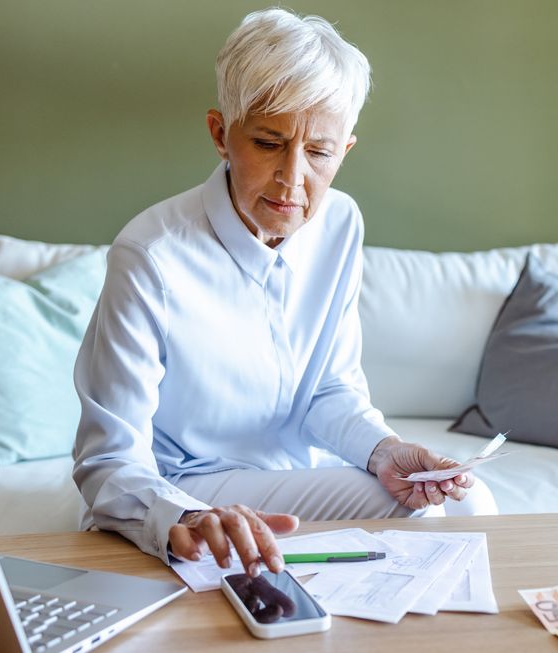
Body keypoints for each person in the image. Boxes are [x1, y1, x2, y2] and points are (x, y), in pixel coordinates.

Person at [72, 7, 495, 580]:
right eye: (269, 143)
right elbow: (108, 459)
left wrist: (386, 451)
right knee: (440, 518)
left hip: (294, 478)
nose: (292, 178)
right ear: (221, 134)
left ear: (344, 151)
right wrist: (186, 515)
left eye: (318, 152)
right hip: (188, 487)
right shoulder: (149, 255)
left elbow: (329, 389)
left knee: (465, 500)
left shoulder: (340, 223)